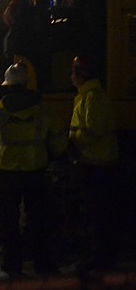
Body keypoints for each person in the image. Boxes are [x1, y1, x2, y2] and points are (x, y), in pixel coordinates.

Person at [0, 63, 67, 276]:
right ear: (26, 83)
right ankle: (41, 262)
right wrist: (58, 154)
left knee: (8, 221)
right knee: (38, 219)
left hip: (6, 175)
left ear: (7, 85)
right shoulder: (42, 109)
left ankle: (12, 263)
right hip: (34, 172)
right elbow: (57, 140)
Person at [68, 55, 118, 273]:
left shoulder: (93, 98)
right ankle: (99, 257)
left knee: (100, 215)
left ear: (80, 75)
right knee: (98, 214)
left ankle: (101, 259)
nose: (71, 77)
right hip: (94, 163)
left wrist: (72, 143)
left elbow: (92, 130)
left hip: (98, 165)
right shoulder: (88, 96)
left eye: (73, 72)